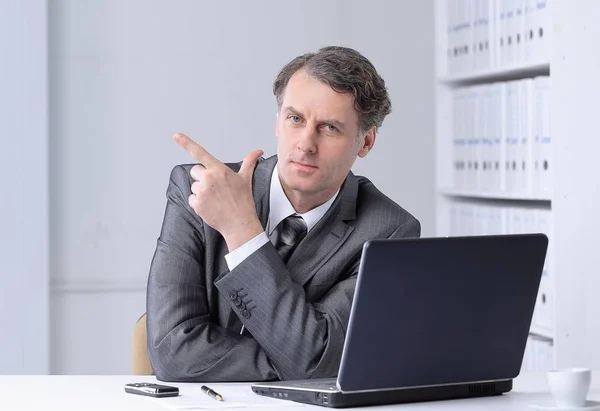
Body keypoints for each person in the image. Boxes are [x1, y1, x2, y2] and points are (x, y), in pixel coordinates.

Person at [146, 46, 421, 382]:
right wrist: (294, 358)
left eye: (330, 128)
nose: (305, 143)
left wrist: (242, 232)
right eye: (295, 119)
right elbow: (173, 354)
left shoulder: (389, 230)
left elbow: (317, 359)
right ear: (278, 123)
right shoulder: (199, 189)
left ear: (365, 142)